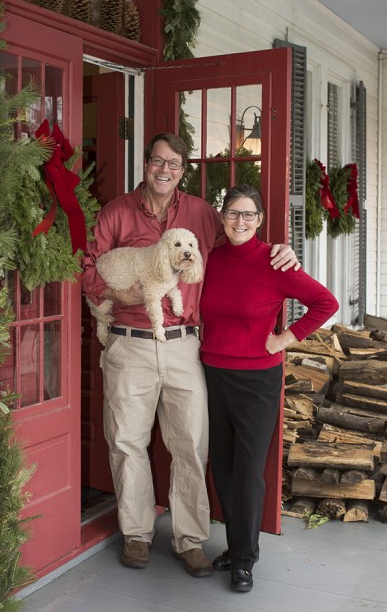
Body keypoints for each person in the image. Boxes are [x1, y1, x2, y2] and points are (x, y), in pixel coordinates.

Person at [81, 133, 299, 578]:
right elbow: (88, 264)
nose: (165, 169)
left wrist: (281, 249)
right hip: (129, 342)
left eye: (174, 164)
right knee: (126, 441)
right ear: (146, 165)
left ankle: (189, 539)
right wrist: (112, 290)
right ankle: (138, 535)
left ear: (183, 171)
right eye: (157, 161)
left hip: (185, 344)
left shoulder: (201, 212)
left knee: (191, 445)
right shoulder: (116, 213)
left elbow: (242, 240)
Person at [199, 184, 339, 593]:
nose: (239, 221)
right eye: (233, 214)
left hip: (258, 378)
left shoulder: (275, 262)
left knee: (247, 469)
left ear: (259, 221)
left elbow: (324, 303)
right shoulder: (212, 258)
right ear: (222, 217)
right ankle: (236, 544)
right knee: (222, 465)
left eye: (248, 215)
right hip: (213, 371)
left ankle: (244, 560)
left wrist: (283, 338)